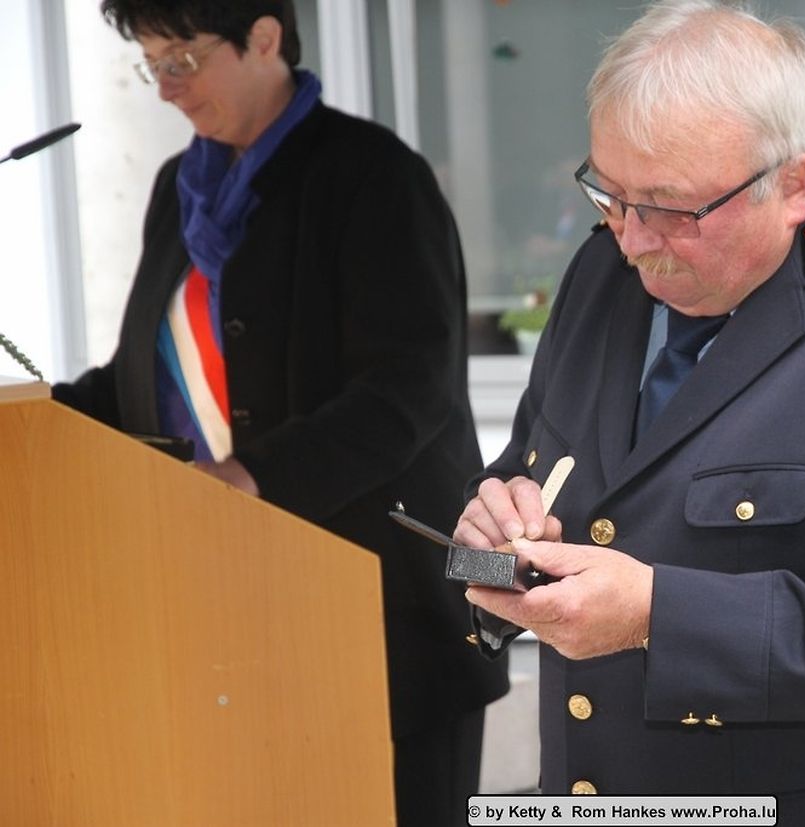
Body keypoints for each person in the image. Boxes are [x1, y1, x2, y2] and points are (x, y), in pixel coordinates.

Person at [454, 2, 805, 824]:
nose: (632, 237)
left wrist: (656, 616)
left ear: (793, 184)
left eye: (669, 207)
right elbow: (538, 473)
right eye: (609, 193)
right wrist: (491, 543)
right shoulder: (605, 272)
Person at [52, 2, 508, 823]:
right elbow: (150, 373)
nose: (165, 89)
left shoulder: (373, 174)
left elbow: (406, 390)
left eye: (181, 60)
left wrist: (249, 477)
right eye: (151, 66)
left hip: (386, 614)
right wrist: (40, 420)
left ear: (264, 38)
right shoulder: (180, 190)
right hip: (237, 610)